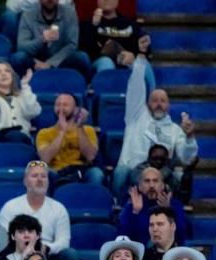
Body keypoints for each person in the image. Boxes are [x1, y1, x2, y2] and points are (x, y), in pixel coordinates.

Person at [115, 42, 198, 198]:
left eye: (163, 100)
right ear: (147, 103)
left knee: (176, 177)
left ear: (168, 105)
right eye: (154, 100)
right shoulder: (136, 116)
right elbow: (136, 88)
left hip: (161, 175)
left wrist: (190, 137)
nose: (159, 104)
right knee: (122, 171)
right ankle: (117, 204)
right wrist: (140, 56)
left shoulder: (175, 129)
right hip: (134, 172)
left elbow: (187, 157)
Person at [0, 161, 72, 257]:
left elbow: (64, 242)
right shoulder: (10, 207)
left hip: (48, 254)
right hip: (17, 253)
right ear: (25, 181)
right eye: (34, 176)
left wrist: (45, 248)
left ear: (48, 182)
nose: (39, 179)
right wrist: (23, 248)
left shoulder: (59, 208)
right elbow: (2, 239)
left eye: (43, 176)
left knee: (70, 254)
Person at [35, 93, 104, 186]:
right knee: (43, 171)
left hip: (81, 170)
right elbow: (45, 159)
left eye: (65, 105)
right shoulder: (44, 133)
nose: (61, 108)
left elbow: (91, 156)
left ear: (76, 109)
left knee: (96, 173)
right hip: (56, 172)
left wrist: (80, 128)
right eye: (58, 105)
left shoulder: (88, 130)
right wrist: (61, 132)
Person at [11, 0, 92, 79]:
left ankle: (85, 88)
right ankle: (20, 88)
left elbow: (72, 45)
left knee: (82, 57)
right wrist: (42, 40)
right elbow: (21, 46)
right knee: (18, 57)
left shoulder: (69, 13)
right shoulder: (28, 15)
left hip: (60, 60)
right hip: (35, 61)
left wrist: (50, 63)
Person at [0, 63, 41, 150]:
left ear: (13, 76)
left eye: (7, 71)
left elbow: (33, 112)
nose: (3, 74)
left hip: (15, 139)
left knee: (16, 136)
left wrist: (25, 86)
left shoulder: (23, 96)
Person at [117, 170, 188, 245]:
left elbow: (181, 236)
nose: (151, 185)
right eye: (147, 181)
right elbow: (122, 237)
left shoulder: (175, 205)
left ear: (163, 186)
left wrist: (168, 212)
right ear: (140, 187)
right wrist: (135, 212)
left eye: (155, 181)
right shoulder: (132, 206)